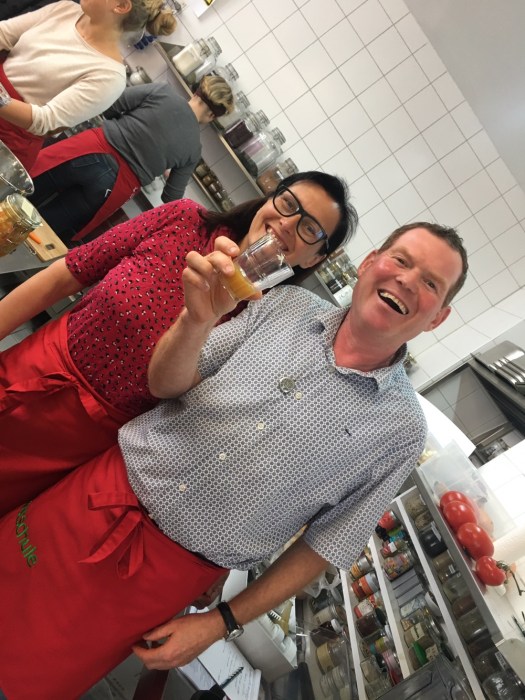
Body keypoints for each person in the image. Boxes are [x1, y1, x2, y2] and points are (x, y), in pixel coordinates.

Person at [0, 219, 468, 698]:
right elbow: (165, 383)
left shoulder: (402, 431)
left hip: (162, 575)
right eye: (401, 260)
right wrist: (195, 321)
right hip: (93, 495)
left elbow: (325, 547)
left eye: (431, 283)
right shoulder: (286, 306)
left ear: (438, 317)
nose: (407, 280)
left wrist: (220, 622)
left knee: (24, 680)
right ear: (369, 263)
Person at [0, 170, 354, 516]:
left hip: (88, 441)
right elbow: (69, 272)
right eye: (288, 203)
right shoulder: (185, 221)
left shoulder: (267, 327)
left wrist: (200, 320)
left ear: (315, 258)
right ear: (269, 199)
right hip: (33, 367)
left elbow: (187, 405)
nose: (288, 223)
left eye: (311, 229)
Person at [28, 75, 234, 243]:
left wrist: (125, 128)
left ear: (197, 91)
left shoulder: (162, 92)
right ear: (213, 116)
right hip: (114, 188)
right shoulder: (194, 149)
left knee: (24, 189)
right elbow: (171, 198)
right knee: (44, 229)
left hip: (91, 149)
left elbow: (112, 105)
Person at [0, 0, 176, 169]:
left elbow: (45, 121)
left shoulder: (110, 76)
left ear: (121, 6)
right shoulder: (65, 9)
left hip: (8, 141)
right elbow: (4, 33)